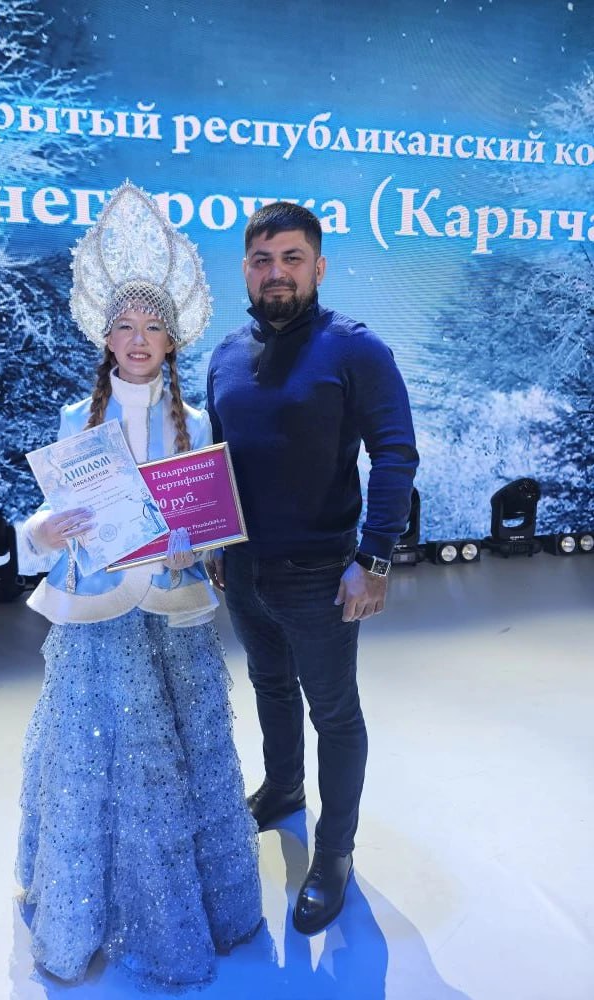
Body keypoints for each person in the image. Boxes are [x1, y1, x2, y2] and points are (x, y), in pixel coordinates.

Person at [16, 182, 262, 988]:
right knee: (93, 760)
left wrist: (201, 540)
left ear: (172, 337)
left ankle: (189, 909)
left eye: (152, 326)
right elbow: (48, 512)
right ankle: (82, 913)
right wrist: (44, 531)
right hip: (96, 614)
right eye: (125, 325)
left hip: (171, 608)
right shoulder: (75, 420)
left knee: (176, 761)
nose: (138, 339)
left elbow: (211, 515)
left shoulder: (196, 423)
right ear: (106, 335)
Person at [207, 201, 418, 936]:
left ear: (318, 266)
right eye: (262, 260)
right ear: (245, 269)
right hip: (244, 569)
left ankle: (333, 854)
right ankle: (284, 790)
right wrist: (215, 542)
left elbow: (395, 455)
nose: (277, 273)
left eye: (292, 258)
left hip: (321, 574)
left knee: (334, 713)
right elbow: (218, 461)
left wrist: (374, 559)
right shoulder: (225, 355)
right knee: (270, 687)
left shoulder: (355, 350)